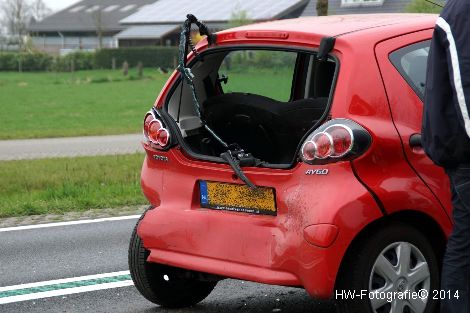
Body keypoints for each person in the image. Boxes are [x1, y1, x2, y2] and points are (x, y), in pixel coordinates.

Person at [422, 0, 470, 312]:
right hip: (465, 154)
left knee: (465, 241)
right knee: (464, 245)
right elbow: (464, 86)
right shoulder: (463, 12)